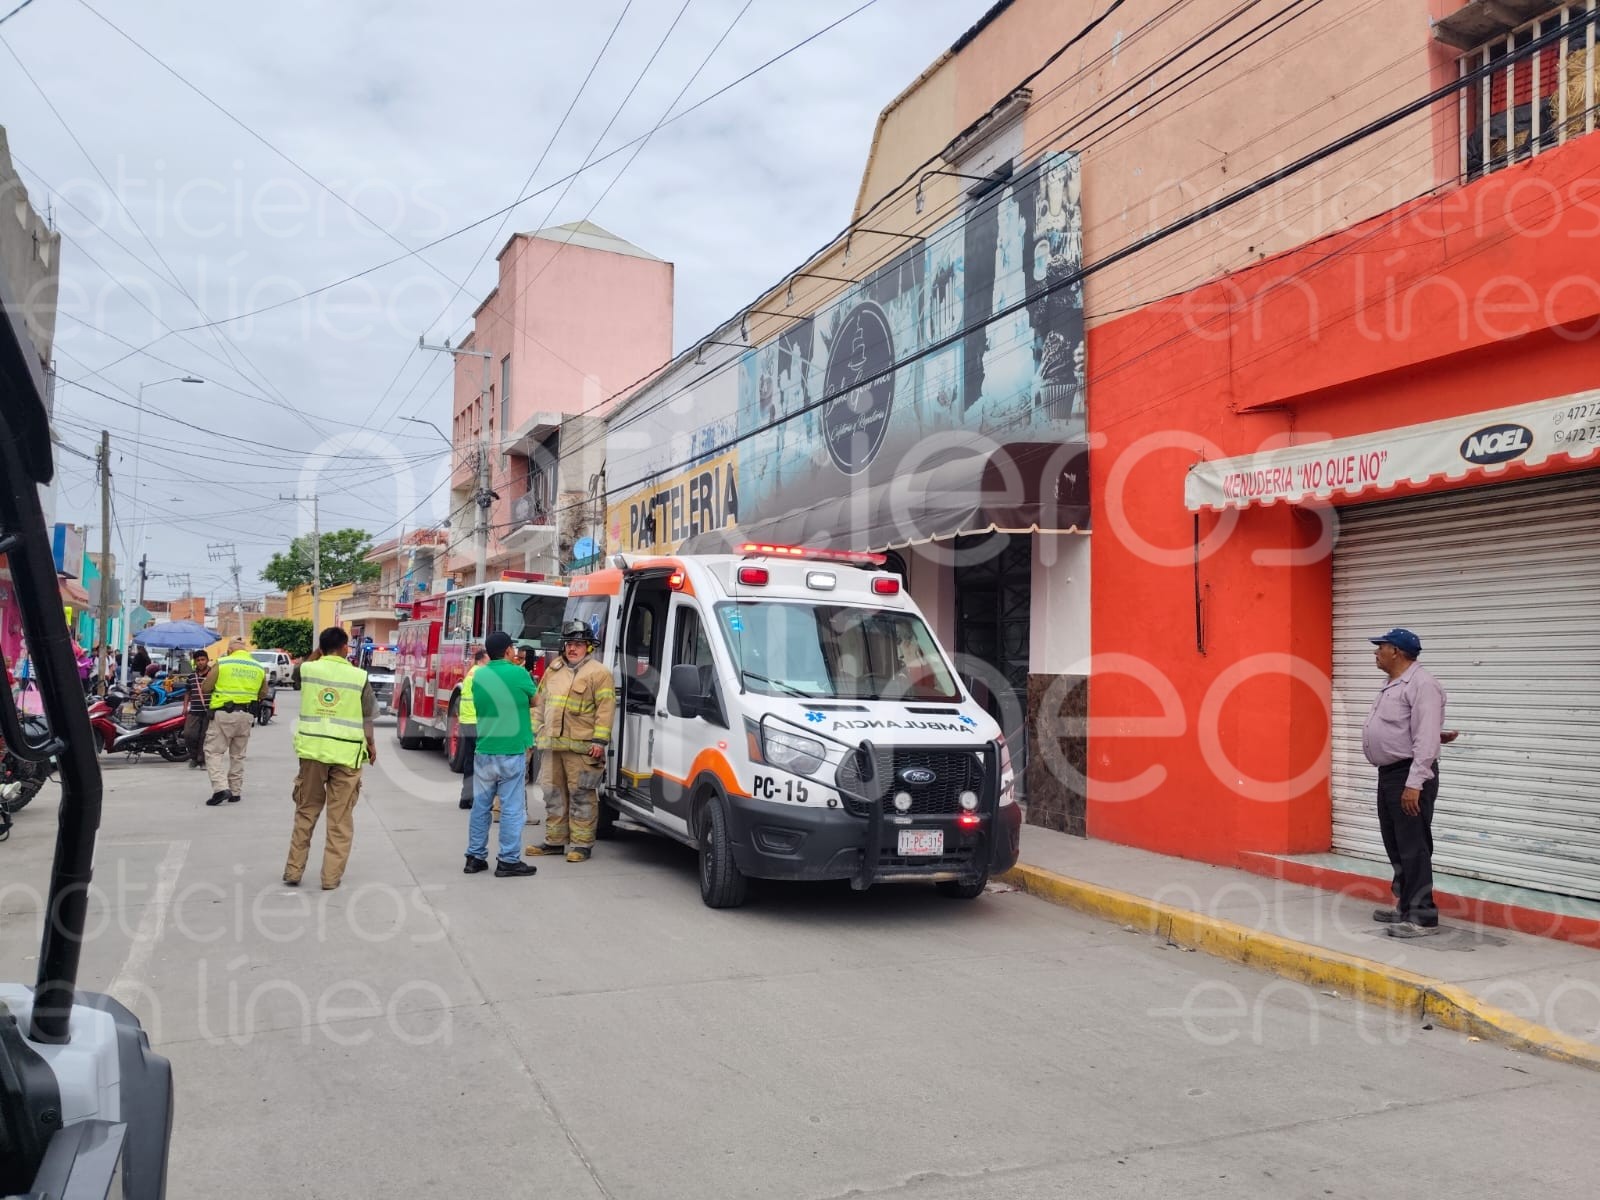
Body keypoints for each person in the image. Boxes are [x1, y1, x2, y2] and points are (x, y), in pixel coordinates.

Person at [1362, 628, 1458, 938]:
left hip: (1408, 776)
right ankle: (1406, 906)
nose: (1376, 652)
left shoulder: (1422, 685)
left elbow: (1426, 737)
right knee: (1395, 842)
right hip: (1390, 774)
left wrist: (1414, 783)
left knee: (1413, 846)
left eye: (1381, 647)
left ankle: (1422, 917)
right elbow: (1415, 729)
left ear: (1397, 651)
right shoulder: (1393, 684)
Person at [283, 627, 377, 890]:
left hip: (313, 752)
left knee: (306, 812)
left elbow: (297, 672)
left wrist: (320, 652)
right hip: (347, 755)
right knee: (340, 819)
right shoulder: (359, 676)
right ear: (346, 647)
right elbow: (367, 717)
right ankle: (330, 878)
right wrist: (371, 745)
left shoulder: (307, 670)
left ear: (321, 648)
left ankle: (293, 871)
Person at [528, 619, 615, 863]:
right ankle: (554, 842)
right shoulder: (554, 670)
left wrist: (599, 741)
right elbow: (539, 704)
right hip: (552, 746)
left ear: (589, 646)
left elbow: (605, 709)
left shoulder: (599, 673)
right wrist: (532, 733)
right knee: (552, 793)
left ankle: (582, 845)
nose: (572, 648)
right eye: (569, 644)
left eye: (578, 644)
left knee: (582, 795)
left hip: (583, 748)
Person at [463, 631, 539, 877]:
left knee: (481, 807)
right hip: (511, 750)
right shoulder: (519, 673)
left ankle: (474, 858)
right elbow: (536, 701)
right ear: (508, 650)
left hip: (485, 749)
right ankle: (508, 860)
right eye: (513, 649)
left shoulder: (479, 675)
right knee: (512, 809)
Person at [203, 637, 269, 806]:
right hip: (246, 715)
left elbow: (206, 687)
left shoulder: (223, 663)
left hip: (224, 714)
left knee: (213, 752)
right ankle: (235, 791)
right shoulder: (258, 667)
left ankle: (220, 788)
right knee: (238, 755)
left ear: (230, 650)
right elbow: (263, 693)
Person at [457, 648, 487, 810]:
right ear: (481, 659)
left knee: (470, 761)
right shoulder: (480, 674)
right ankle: (475, 799)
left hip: (467, 721)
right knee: (481, 762)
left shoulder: (472, 672)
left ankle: (466, 798)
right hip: (476, 721)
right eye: (488, 658)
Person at [183, 650, 210, 769]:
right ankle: (193, 757)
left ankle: (201, 760)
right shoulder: (191, 676)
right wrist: (185, 707)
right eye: (198, 660)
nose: (200, 662)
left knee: (204, 736)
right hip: (194, 710)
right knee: (189, 734)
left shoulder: (212, 675)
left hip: (209, 711)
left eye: (203, 659)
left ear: (207, 660)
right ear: (195, 662)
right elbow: (187, 692)